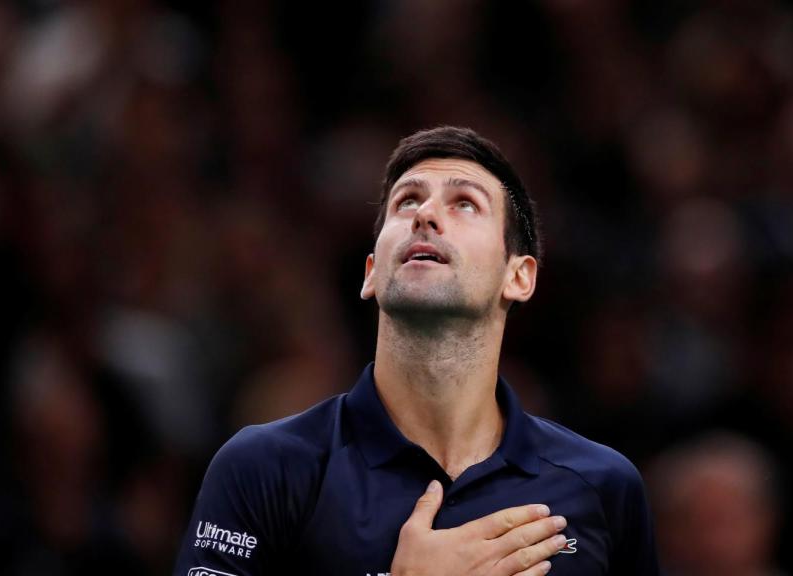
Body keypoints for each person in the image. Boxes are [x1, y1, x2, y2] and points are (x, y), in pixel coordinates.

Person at [173, 126, 661, 576]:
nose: (425, 215)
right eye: (407, 202)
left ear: (518, 276)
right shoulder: (264, 466)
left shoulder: (603, 485)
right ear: (371, 273)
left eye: (465, 204)